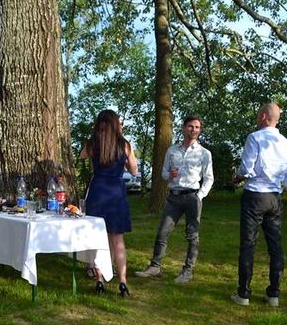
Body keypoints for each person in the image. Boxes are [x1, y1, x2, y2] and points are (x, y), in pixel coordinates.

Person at [231, 103, 287, 307]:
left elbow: (247, 168)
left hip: (255, 197)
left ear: (262, 116)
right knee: (275, 247)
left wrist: (236, 177)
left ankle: (243, 294)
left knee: (248, 245)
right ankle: (273, 295)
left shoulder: (255, 137)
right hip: (275, 199)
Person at [135, 115, 214, 283]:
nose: (194, 130)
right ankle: (155, 267)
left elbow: (209, 178)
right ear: (184, 127)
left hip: (193, 197)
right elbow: (164, 173)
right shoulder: (172, 151)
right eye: (191, 126)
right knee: (163, 232)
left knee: (192, 235)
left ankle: (188, 270)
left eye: (197, 127)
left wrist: (199, 196)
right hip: (174, 198)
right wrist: (169, 175)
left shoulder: (204, 153)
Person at [80, 109, 139, 296]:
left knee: (99, 238)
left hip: (98, 190)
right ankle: (122, 281)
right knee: (117, 240)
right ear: (116, 124)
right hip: (116, 192)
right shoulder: (124, 145)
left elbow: (81, 156)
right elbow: (135, 170)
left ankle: (99, 279)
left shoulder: (93, 144)